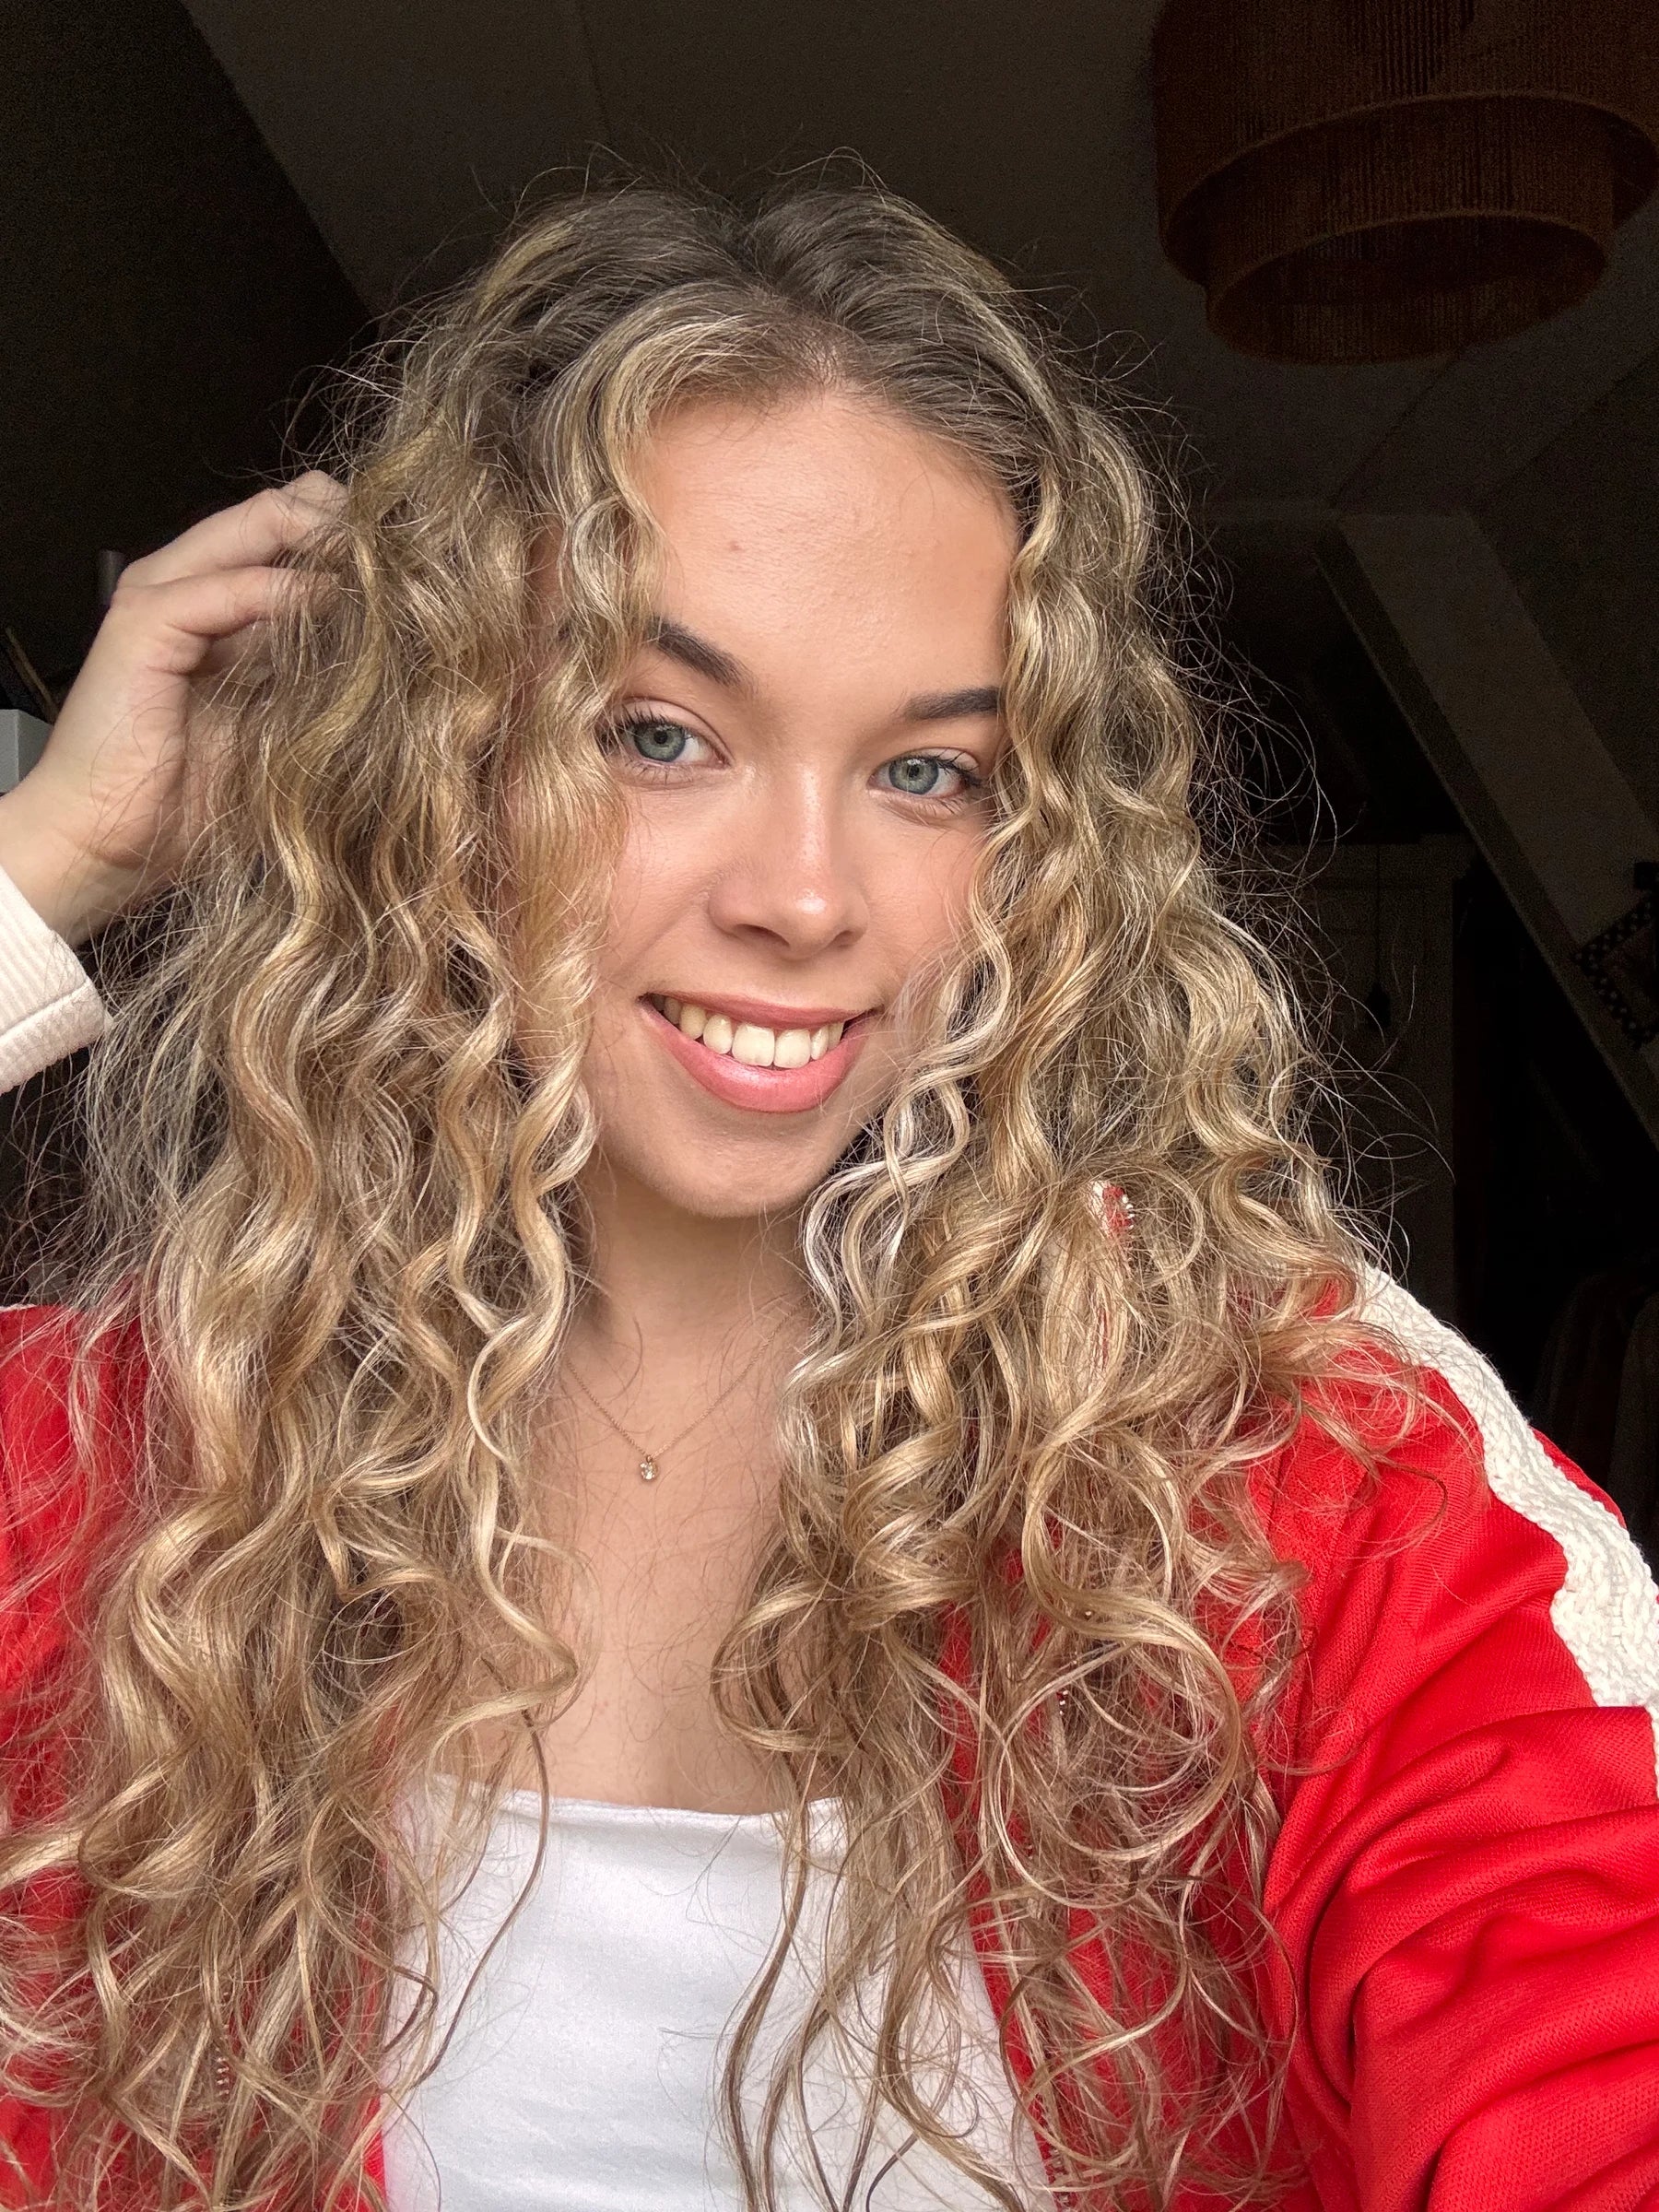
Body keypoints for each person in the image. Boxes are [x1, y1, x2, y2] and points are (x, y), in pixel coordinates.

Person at [0, 179, 1655, 2212]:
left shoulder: (1267, 1459)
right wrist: (51, 860)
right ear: (436, 768)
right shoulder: (128, 1472)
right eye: (659, 734)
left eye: (926, 772)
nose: (805, 898)